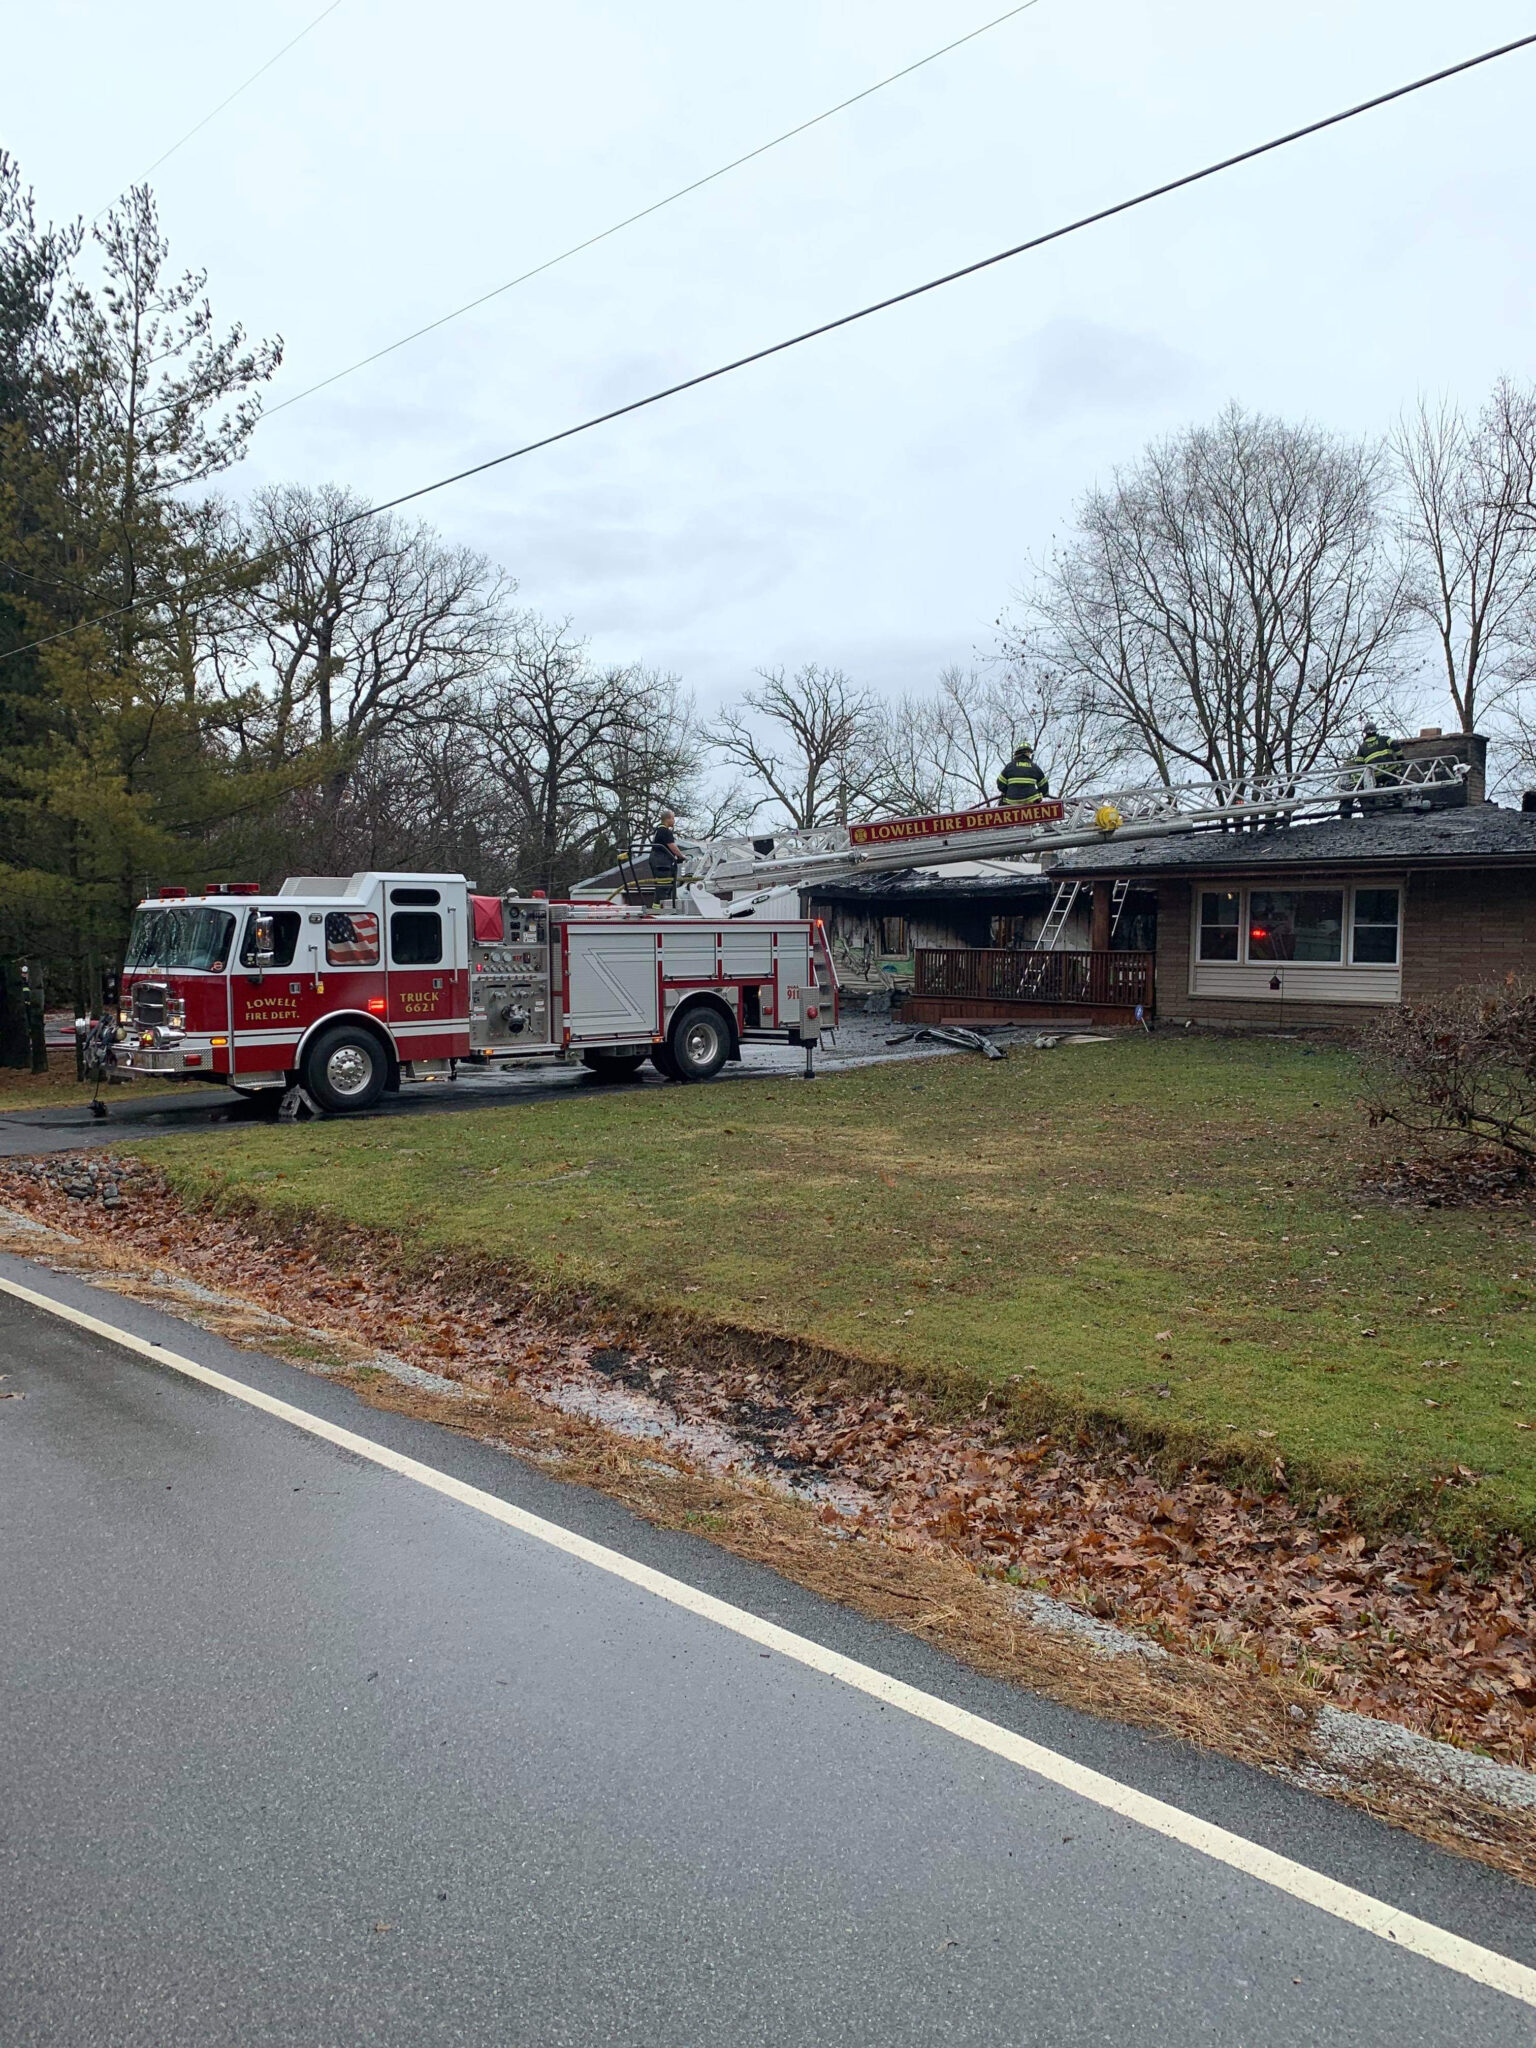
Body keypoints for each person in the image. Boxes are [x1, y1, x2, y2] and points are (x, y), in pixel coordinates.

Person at [1338, 724, 1408, 818]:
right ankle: (1395, 792)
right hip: (1390, 771)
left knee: (1369, 786)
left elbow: (1360, 765)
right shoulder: (1385, 739)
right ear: (1376, 731)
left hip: (1374, 775)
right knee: (1393, 779)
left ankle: (1373, 800)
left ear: (1365, 734)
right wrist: (1400, 758)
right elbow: (1395, 744)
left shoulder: (1362, 747)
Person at [650, 809, 683, 905]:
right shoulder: (664, 831)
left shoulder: (658, 830)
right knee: (664, 887)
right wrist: (682, 856)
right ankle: (661, 908)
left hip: (658, 861)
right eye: (673, 818)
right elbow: (673, 847)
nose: (674, 821)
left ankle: (657, 907)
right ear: (668, 819)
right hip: (662, 863)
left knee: (661, 887)